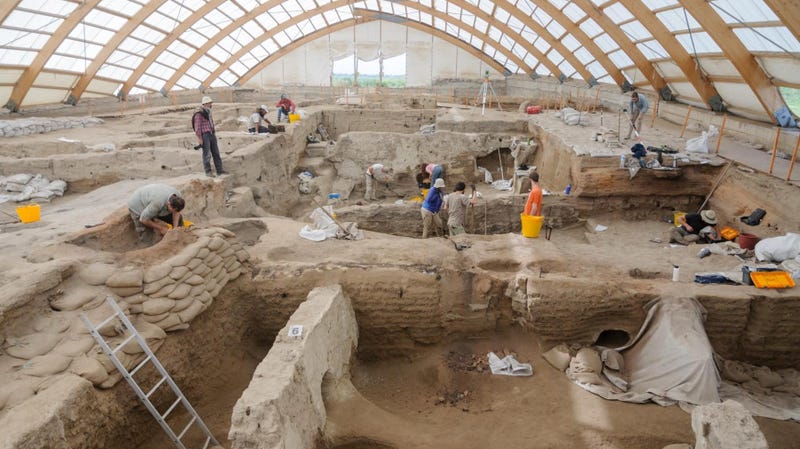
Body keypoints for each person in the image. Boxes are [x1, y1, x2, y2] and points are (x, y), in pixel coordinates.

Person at [192, 96, 226, 177]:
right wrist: (200, 138)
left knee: (216, 153)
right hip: (205, 135)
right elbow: (197, 128)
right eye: (210, 103)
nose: (211, 104)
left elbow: (211, 123)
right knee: (207, 154)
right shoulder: (199, 114)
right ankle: (208, 172)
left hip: (211, 134)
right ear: (206, 103)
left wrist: (213, 132)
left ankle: (219, 170)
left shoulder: (208, 112)